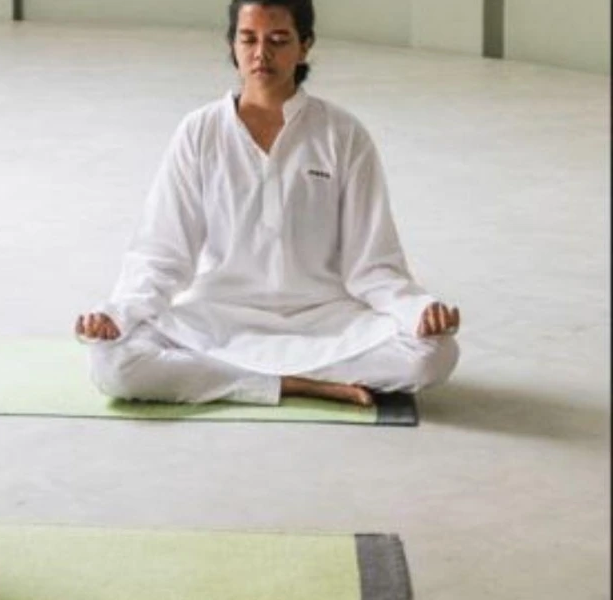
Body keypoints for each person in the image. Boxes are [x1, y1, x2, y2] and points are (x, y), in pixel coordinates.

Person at [76, 0, 460, 407]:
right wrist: (116, 315)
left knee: (434, 356)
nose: (262, 54)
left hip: (322, 319)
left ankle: (239, 379)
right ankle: (296, 384)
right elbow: (162, 254)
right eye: (249, 39)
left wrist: (420, 310)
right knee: (112, 363)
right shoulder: (200, 131)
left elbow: (374, 265)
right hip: (220, 316)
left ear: (305, 46)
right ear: (233, 45)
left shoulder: (342, 134)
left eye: (278, 40)